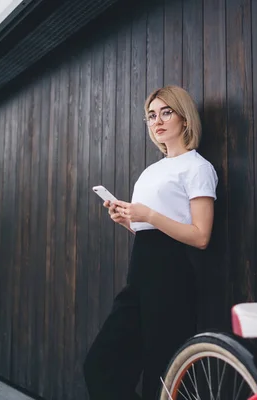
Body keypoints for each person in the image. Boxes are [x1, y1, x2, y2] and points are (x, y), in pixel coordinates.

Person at [83, 85, 218, 399]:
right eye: (151, 115)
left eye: (166, 112)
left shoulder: (198, 168)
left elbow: (200, 236)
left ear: (185, 119)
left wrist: (150, 215)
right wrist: (130, 221)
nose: (157, 120)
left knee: (162, 375)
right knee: (101, 364)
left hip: (173, 276)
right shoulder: (151, 171)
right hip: (141, 274)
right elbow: (153, 232)